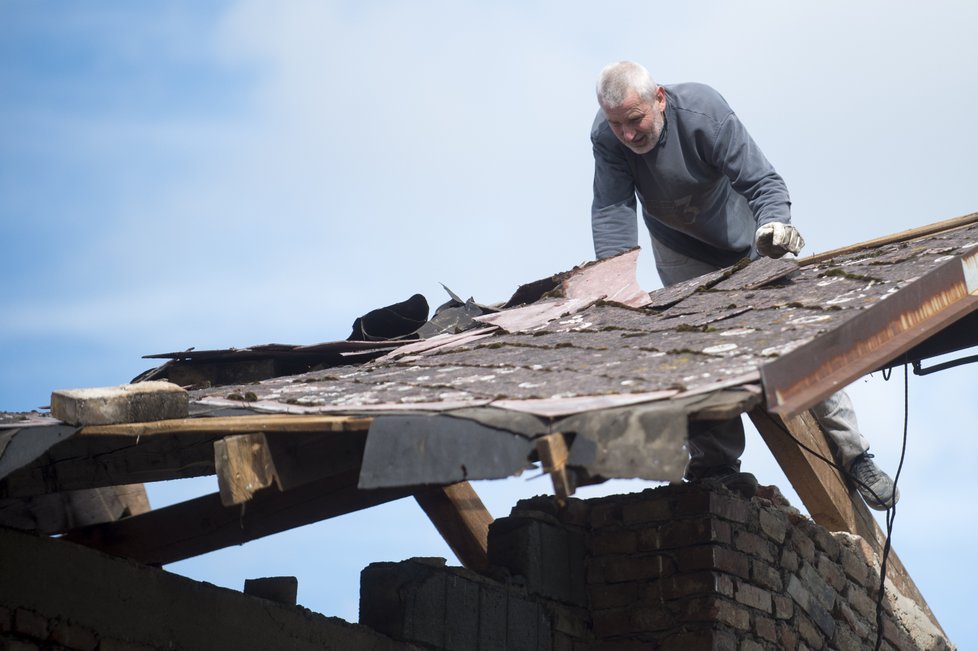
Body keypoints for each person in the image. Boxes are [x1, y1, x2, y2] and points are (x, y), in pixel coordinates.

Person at [590, 60, 898, 510]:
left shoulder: (703, 112)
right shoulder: (607, 137)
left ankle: (855, 456)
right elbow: (612, 209)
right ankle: (714, 466)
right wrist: (613, 283)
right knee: (695, 347)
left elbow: (763, 180)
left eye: (634, 121)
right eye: (618, 125)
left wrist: (775, 225)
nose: (628, 135)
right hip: (681, 250)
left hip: (750, 241)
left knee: (802, 336)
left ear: (659, 98)